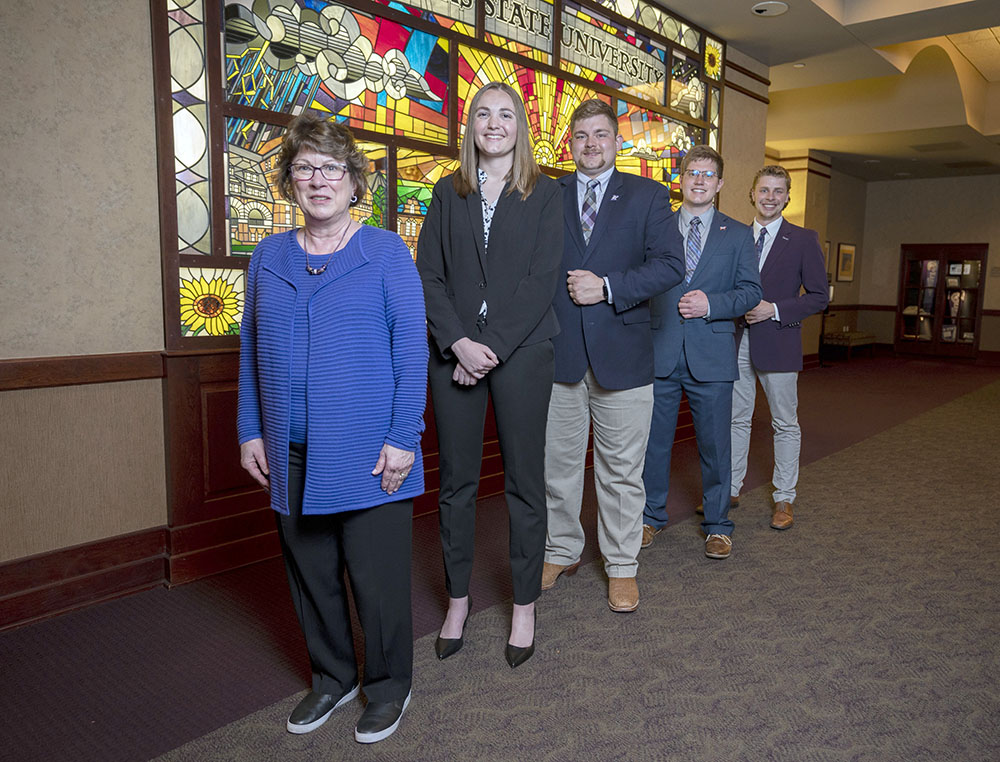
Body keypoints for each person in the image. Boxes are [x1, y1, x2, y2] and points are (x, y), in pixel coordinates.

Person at [237, 112, 427, 744]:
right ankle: (333, 677)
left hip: (371, 451)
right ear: (290, 181)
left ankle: (388, 685)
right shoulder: (267, 257)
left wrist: (404, 437)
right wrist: (249, 430)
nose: (319, 179)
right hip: (289, 449)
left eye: (332, 168)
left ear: (355, 181)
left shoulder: (385, 251)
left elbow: (411, 351)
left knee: (376, 580)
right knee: (311, 573)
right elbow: (250, 354)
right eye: (305, 167)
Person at [417, 81, 562, 668]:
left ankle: (523, 606)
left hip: (523, 352)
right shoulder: (447, 193)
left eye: (506, 114)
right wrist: (458, 342)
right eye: (483, 113)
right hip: (454, 352)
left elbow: (541, 280)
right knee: (456, 484)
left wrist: (490, 348)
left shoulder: (545, 193)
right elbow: (427, 273)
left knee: (525, 484)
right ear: (470, 124)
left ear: (520, 126)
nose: (494, 123)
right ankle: (457, 601)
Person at [541, 99, 683, 613]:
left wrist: (606, 286)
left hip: (623, 358)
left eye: (601, 134)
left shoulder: (647, 196)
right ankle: (561, 549)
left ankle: (622, 565)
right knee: (557, 467)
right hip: (558, 356)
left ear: (616, 141)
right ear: (571, 143)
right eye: (581, 136)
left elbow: (671, 266)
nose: (591, 144)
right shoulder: (545, 193)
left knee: (621, 470)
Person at [641, 145, 761, 560]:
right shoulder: (656, 230)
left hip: (711, 356)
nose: (698, 180)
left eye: (707, 175)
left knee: (714, 446)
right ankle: (648, 518)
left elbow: (751, 292)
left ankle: (717, 525)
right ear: (680, 178)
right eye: (692, 172)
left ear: (720, 184)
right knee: (652, 444)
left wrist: (712, 305)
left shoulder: (740, 234)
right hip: (659, 352)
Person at [730, 165, 828, 530]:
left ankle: (784, 497)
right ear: (752, 194)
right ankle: (731, 487)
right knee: (736, 419)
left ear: (787, 197)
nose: (770, 197)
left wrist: (774, 309)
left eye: (778, 191)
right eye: (764, 190)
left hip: (780, 341)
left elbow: (819, 296)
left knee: (784, 423)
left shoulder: (803, 239)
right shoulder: (735, 236)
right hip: (736, 340)